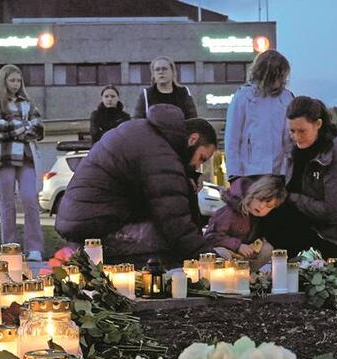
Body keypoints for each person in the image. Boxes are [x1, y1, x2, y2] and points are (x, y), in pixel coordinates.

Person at [56, 105, 218, 265]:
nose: (197, 166)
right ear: (193, 139)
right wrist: (211, 258)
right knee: (169, 244)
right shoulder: (160, 153)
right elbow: (175, 223)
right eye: (202, 158)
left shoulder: (145, 133)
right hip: (97, 236)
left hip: (86, 228)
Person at [266, 96, 337, 257]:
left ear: (318, 124)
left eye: (302, 131)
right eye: (292, 131)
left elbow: (331, 210)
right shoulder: (293, 150)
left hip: (333, 233)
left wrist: (291, 198)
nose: (296, 137)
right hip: (304, 224)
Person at [0, 64, 46, 261]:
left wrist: (14, 128)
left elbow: (38, 129)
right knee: (7, 202)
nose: (15, 84)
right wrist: (24, 127)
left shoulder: (27, 103)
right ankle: (10, 247)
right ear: (3, 81)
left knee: (30, 199)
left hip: (26, 157)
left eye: (18, 80)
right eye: (12, 80)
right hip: (3, 157)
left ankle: (35, 248)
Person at [224, 49, 293, 181]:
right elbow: (232, 138)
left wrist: (289, 169)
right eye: (279, 75)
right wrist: (234, 176)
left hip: (279, 173)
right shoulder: (244, 96)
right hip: (249, 172)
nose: (281, 80)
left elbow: (289, 139)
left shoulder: (287, 98)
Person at [203, 175, 283, 268]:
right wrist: (238, 246)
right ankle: (226, 279)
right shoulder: (229, 213)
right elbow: (211, 237)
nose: (261, 207)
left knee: (267, 249)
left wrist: (257, 244)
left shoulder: (259, 218)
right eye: (260, 200)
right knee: (222, 253)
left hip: (245, 256)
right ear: (251, 195)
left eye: (268, 206)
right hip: (228, 252)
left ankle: (246, 275)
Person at [131, 57, 197, 120]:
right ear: (153, 74)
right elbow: (137, 121)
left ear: (173, 71)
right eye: (157, 69)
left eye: (164, 69)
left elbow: (193, 119)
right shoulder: (146, 95)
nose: (161, 72)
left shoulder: (183, 92)